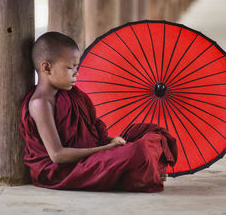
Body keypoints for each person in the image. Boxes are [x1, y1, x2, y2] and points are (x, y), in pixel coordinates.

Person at [19, 31, 177, 192]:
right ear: (47, 67)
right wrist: (107, 149)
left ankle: (139, 170)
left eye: (77, 66)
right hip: (64, 170)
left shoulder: (69, 94)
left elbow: (90, 133)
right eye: (70, 67)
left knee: (150, 132)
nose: (76, 73)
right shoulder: (40, 104)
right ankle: (141, 170)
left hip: (89, 155)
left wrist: (111, 140)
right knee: (139, 151)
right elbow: (57, 155)